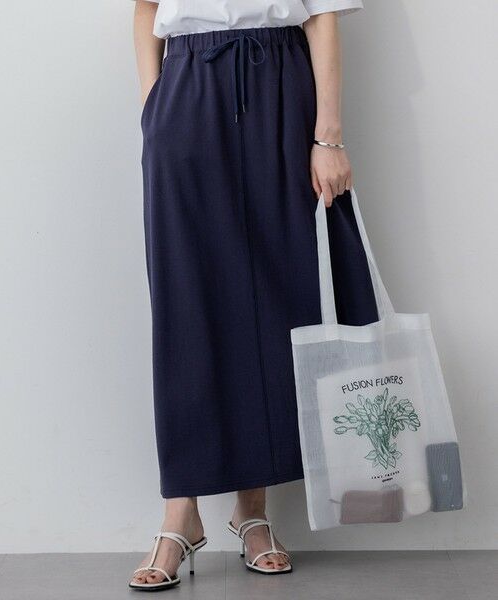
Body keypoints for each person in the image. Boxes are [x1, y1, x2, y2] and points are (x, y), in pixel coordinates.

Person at [130, 0, 377, 590]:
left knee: (276, 296)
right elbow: (145, 8)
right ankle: (180, 512)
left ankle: (252, 511)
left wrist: (329, 137)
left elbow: (320, 14)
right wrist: (153, 108)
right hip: (185, 84)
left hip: (281, 82)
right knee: (186, 300)